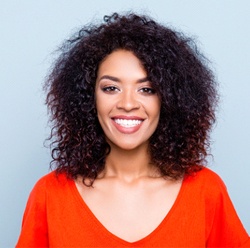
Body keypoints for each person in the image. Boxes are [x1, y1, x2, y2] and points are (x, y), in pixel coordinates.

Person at [16, 13, 250, 247]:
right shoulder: (50, 195)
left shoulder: (206, 191)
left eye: (147, 89)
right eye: (111, 88)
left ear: (169, 100)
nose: (128, 104)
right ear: (89, 98)